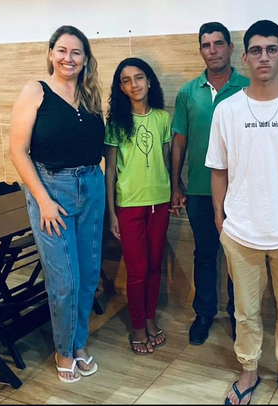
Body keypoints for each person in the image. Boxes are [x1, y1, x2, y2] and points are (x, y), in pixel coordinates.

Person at [206, 20, 278, 405]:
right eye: (256, 50)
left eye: (271, 49)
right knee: (245, 312)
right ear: (245, 57)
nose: (264, 57)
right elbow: (218, 170)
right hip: (241, 232)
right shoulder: (226, 110)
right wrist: (220, 219)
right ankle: (249, 369)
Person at [9, 25, 104, 383]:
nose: (69, 58)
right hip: (51, 190)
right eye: (62, 50)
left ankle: (78, 344)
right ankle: (63, 350)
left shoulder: (90, 95)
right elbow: (18, 150)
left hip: (91, 186)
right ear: (51, 53)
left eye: (76, 52)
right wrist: (43, 200)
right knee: (65, 280)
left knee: (88, 276)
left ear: (85, 58)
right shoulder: (36, 91)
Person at [171, 22, 250, 345]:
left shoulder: (249, 88)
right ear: (201, 50)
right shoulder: (188, 93)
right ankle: (204, 314)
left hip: (241, 193)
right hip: (200, 191)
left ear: (231, 48)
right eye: (206, 45)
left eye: (219, 43)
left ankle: (238, 315)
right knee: (205, 254)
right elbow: (179, 141)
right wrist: (176, 184)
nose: (213, 50)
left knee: (238, 258)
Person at [104, 58, 171, 355]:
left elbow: (166, 161)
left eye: (139, 77)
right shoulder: (117, 124)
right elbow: (110, 171)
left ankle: (150, 318)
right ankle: (137, 326)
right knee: (137, 269)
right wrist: (112, 214)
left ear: (149, 81)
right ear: (121, 88)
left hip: (160, 202)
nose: (134, 84)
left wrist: (176, 191)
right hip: (129, 205)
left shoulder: (162, 118)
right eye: (127, 80)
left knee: (155, 265)